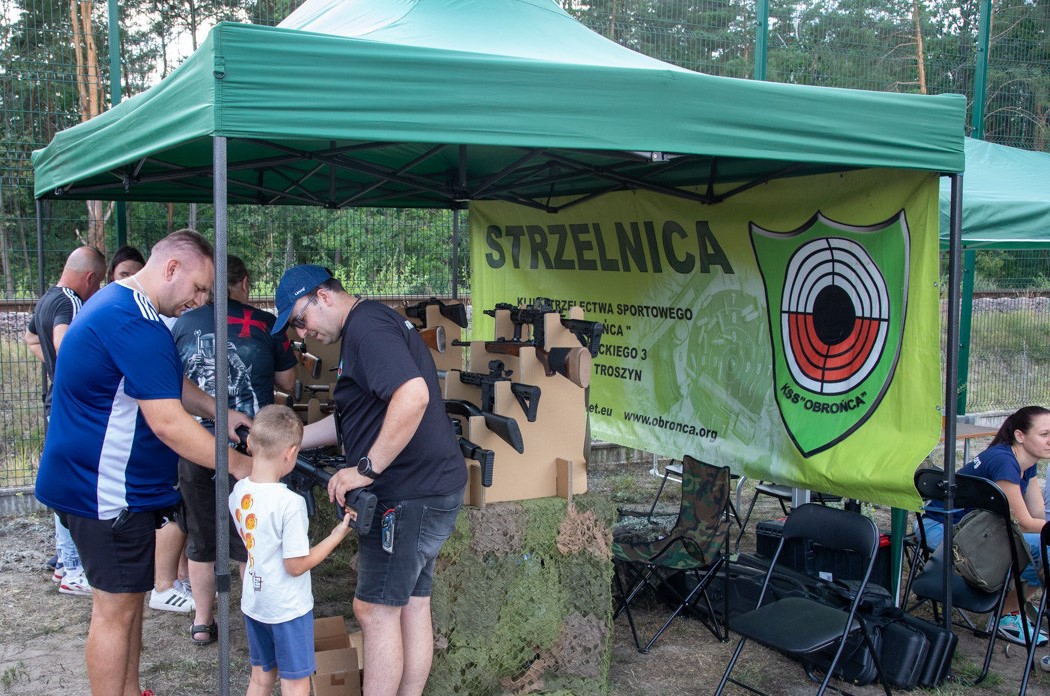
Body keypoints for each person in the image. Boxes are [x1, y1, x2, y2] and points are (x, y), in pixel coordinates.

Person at [34, 229, 254, 696]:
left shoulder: (124, 304)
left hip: (103, 485)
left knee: (129, 603)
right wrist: (238, 465)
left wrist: (219, 411)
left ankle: (131, 690)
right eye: (199, 288)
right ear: (171, 268)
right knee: (114, 612)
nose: (200, 301)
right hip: (103, 490)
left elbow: (163, 379)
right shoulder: (135, 322)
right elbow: (168, 423)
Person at [271, 265, 467, 696]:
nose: (302, 334)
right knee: (410, 605)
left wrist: (365, 469)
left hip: (407, 493)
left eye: (300, 320)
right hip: (425, 488)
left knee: (374, 611)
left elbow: (413, 396)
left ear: (323, 296)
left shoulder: (367, 329)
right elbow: (353, 420)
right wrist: (289, 441)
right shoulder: (365, 326)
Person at [172, 255, 298, 644]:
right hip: (254, 445)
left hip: (195, 442)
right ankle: (254, 620)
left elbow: (171, 381)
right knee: (252, 537)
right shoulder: (266, 323)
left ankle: (202, 621)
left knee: (201, 535)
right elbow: (288, 382)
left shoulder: (182, 324)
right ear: (243, 283)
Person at [228, 404, 354, 696]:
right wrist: (337, 535)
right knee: (295, 682)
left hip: (255, 600)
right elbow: (295, 565)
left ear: (249, 443)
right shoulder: (290, 504)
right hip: (287, 608)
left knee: (261, 677)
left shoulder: (239, 492)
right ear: (291, 453)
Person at [920, 406, 1050, 646]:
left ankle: (1008, 612)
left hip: (979, 532)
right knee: (1046, 552)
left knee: (1045, 550)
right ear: (1020, 436)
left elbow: (1037, 514)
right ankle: (1006, 617)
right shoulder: (1004, 461)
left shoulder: (1027, 462)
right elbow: (1024, 523)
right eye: (1044, 434)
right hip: (943, 529)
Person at [25, 245, 107, 597]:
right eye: (98, 283)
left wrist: (53, 368)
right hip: (73, 407)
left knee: (65, 481)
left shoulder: (47, 298)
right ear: (89, 277)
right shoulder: (71, 302)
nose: (96, 290)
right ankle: (73, 566)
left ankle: (65, 563)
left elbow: (30, 337)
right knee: (75, 485)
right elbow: (66, 343)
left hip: (55, 403)